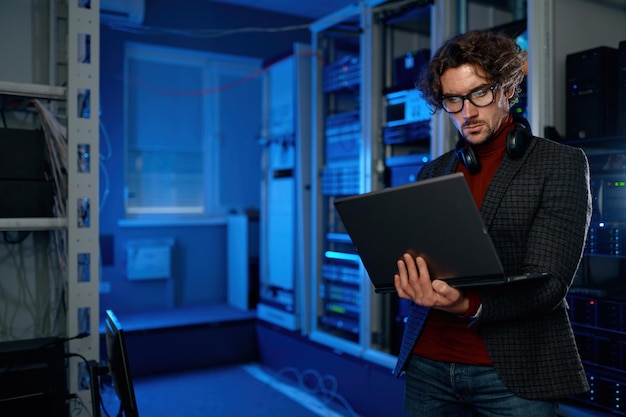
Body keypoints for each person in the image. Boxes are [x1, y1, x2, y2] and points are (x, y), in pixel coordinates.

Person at [392, 29, 592, 417]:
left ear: (508, 90)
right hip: (428, 364)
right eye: (453, 100)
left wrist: (467, 304)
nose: (467, 112)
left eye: (479, 94)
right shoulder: (433, 172)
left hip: (513, 373)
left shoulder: (560, 164)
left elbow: (549, 282)